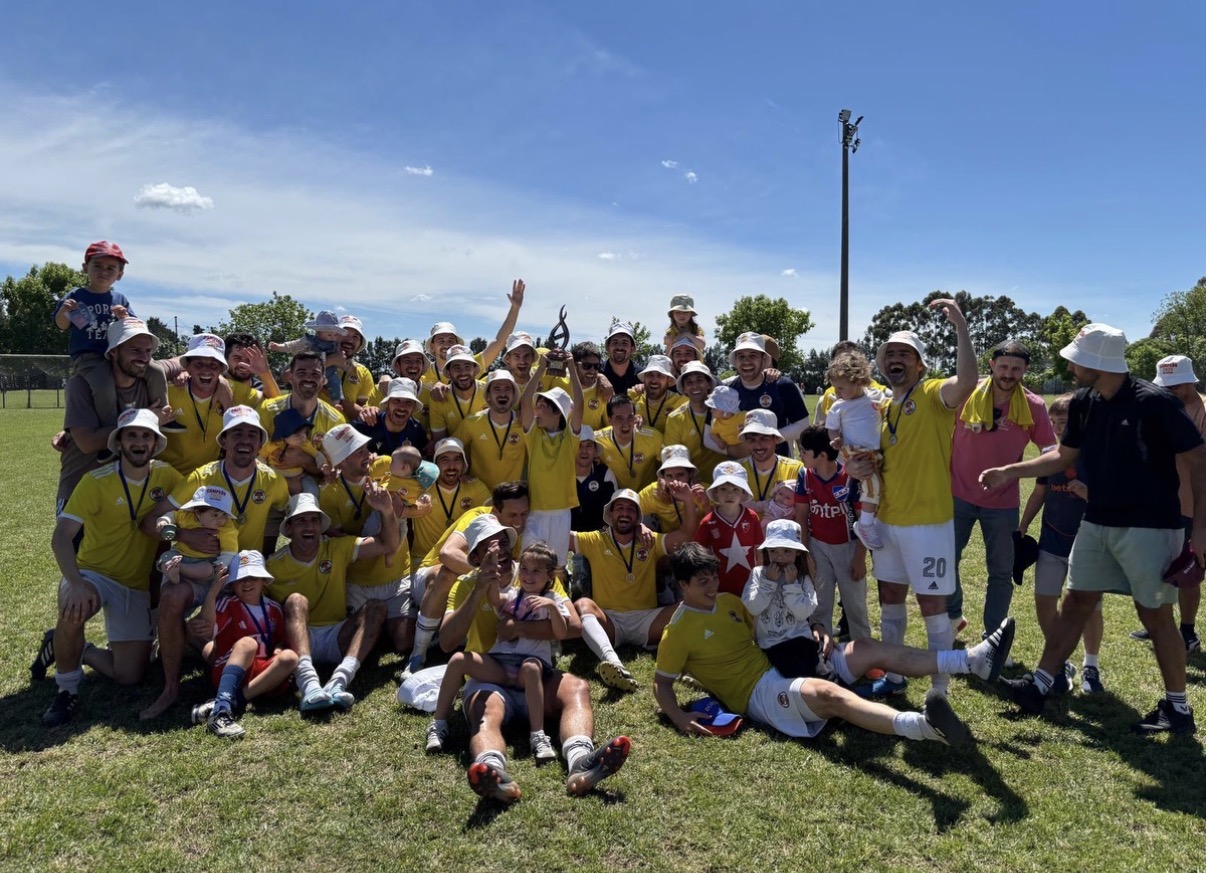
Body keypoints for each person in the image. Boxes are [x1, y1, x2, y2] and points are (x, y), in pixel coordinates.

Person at [983, 324, 1206, 734]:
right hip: (1097, 520)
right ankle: (1040, 685)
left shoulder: (1156, 402)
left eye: (1076, 361)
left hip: (1152, 524)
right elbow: (1062, 456)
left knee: (1155, 614)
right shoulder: (1085, 401)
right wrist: (1009, 471)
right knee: (1076, 600)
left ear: (1097, 363)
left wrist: (1201, 530)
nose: (1070, 368)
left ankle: (1178, 710)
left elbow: (1199, 462)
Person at [653, 544, 1015, 744]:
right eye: (702, 582)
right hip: (759, 693)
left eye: (713, 578)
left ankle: (971, 661)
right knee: (829, 694)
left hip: (782, 661)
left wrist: (816, 627)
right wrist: (679, 717)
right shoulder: (677, 631)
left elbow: (771, 627)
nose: (712, 586)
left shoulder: (729, 602)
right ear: (682, 585)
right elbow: (661, 682)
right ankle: (924, 727)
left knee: (865, 647)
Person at [438, 514, 631, 803]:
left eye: (503, 542)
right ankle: (492, 772)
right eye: (490, 546)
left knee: (577, 688)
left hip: (535, 676)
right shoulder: (466, 584)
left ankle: (580, 762)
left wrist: (520, 628)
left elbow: (573, 627)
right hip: (492, 678)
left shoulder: (533, 570)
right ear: (476, 556)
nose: (499, 550)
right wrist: (479, 590)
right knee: (485, 711)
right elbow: (446, 642)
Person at [845, 300, 977, 700]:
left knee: (932, 605)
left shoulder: (934, 394)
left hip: (928, 523)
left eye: (905, 354)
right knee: (890, 599)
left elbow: (967, 382)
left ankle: (939, 689)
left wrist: (960, 326)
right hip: (887, 521)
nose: (895, 360)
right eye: (890, 354)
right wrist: (858, 468)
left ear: (920, 364)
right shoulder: (882, 407)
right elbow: (875, 462)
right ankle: (895, 678)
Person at [134, 405, 290, 720]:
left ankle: (200, 650)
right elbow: (150, 523)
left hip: (238, 574)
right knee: (172, 595)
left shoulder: (272, 480)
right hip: (196, 570)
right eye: (237, 433)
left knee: (217, 633)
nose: (244, 440)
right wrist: (183, 536)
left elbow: (288, 512)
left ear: (260, 443)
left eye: (252, 434)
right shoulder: (201, 477)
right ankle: (171, 688)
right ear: (224, 441)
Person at [40, 408, 183, 727]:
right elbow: (61, 537)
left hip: (134, 584)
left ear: (155, 443)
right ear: (118, 443)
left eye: (146, 436)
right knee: (74, 607)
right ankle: (66, 690)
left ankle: (74, 647)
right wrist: (76, 583)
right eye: (131, 435)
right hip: (93, 574)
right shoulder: (95, 481)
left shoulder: (168, 476)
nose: (139, 442)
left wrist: (173, 530)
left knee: (130, 675)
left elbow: (185, 508)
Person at [427, 540, 576, 762]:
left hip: (530, 666)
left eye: (536, 571)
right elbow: (495, 598)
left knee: (531, 667)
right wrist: (491, 569)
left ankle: (538, 735)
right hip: (500, 664)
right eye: (524, 568)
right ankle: (438, 724)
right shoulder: (514, 595)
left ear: (550, 576)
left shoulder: (552, 599)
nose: (528, 575)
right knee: (458, 659)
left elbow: (561, 632)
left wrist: (552, 609)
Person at [947, 339, 1056, 639]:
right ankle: (953, 616)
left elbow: (1050, 452)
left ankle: (992, 637)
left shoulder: (1034, 406)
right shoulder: (967, 393)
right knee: (945, 562)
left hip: (1003, 504)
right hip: (957, 495)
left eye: (1016, 369)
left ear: (1025, 370)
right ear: (992, 365)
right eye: (1003, 366)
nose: (1008, 374)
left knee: (1001, 572)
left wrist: (1015, 472)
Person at [265, 490, 399, 713]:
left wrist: (387, 510)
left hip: (337, 635)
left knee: (377, 607)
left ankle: (339, 682)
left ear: (321, 526)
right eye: (301, 521)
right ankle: (308, 685)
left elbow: (388, 545)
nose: (309, 526)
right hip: (299, 638)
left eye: (314, 520)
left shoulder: (336, 548)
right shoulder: (272, 566)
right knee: (296, 600)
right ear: (288, 529)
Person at [571, 486, 700, 692]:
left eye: (631, 509)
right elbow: (560, 536)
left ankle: (694, 667)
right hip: (610, 622)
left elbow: (685, 536)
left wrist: (688, 501)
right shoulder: (595, 539)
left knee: (690, 605)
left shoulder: (650, 539)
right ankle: (614, 663)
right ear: (610, 514)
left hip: (647, 621)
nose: (625, 513)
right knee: (582, 605)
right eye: (620, 508)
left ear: (638, 517)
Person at [1017, 394, 1104, 692]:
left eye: (1063, 422)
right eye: (1052, 422)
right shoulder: (1050, 455)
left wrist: (1088, 493)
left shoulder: (1097, 456)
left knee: (1091, 608)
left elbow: (1114, 502)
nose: (1056, 428)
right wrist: (1023, 524)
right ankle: (1059, 662)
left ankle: (1091, 666)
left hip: (1088, 544)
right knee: (1044, 601)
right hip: (1052, 541)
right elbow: (1039, 493)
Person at [54, 317, 175, 510]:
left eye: (148, 351)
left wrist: (185, 372)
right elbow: (88, 443)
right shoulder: (81, 385)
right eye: (135, 350)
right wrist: (148, 418)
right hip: (80, 492)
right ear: (113, 352)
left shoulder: (149, 379)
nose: (144, 357)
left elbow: (184, 361)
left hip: (127, 494)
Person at [52, 240, 170, 432]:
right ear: (85, 267)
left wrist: (123, 316)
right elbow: (61, 326)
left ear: (120, 274)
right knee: (104, 386)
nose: (104, 272)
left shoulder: (119, 299)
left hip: (119, 356)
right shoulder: (76, 295)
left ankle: (163, 415)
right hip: (90, 358)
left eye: (111, 268)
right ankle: (111, 429)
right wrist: (64, 311)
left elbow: (133, 329)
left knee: (156, 370)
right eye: (97, 266)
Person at [398, 439, 493, 675]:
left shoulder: (475, 488)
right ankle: (418, 654)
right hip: (426, 566)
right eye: (444, 460)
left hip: (461, 563)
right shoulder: (420, 486)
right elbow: (390, 488)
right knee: (446, 572)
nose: (451, 466)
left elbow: (493, 517)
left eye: (457, 459)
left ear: (464, 464)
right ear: (434, 464)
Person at [1128, 354, 1203, 652]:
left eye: (1175, 386)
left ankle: (1187, 632)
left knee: (1188, 572)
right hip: (1160, 503)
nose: (1169, 391)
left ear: (1190, 381)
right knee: (1160, 568)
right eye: (1165, 387)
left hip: (1192, 506)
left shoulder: (1203, 411)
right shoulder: (1161, 407)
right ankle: (1163, 625)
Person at [188, 550, 298, 739]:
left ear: (263, 580)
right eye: (241, 579)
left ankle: (230, 701)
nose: (247, 583)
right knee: (248, 644)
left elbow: (280, 641)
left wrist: (279, 650)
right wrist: (213, 591)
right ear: (232, 583)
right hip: (230, 667)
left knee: (290, 657)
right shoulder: (227, 603)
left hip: (261, 673)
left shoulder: (274, 608)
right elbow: (206, 627)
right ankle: (221, 713)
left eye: (253, 577)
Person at [795, 425, 871, 641]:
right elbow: (802, 516)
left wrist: (859, 558)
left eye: (804, 452)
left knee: (855, 606)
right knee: (819, 604)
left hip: (848, 547)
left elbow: (864, 521)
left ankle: (864, 651)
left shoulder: (849, 476)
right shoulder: (804, 475)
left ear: (821, 455)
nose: (800, 456)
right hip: (817, 547)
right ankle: (822, 651)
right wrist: (805, 554)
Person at [520, 353, 584, 564]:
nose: (536, 410)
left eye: (542, 406)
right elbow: (525, 401)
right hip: (535, 511)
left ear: (558, 413)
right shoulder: (533, 436)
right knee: (529, 563)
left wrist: (572, 367)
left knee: (556, 566)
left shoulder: (570, 438)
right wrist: (541, 368)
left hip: (561, 513)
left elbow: (579, 404)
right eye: (537, 406)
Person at [824, 349, 887, 550]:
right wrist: (836, 440)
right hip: (853, 451)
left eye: (840, 388)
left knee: (878, 483)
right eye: (835, 388)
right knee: (873, 482)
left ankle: (870, 519)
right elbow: (831, 428)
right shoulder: (839, 406)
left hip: (874, 452)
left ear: (858, 381)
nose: (836, 392)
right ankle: (865, 524)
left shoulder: (876, 397)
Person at [722, 332, 810, 457]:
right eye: (741, 356)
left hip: (779, 464)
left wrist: (772, 437)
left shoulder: (783, 386)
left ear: (764, 359)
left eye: (752, 356)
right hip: (740, 465)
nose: (746, 361)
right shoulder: (726, 390)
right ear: (735, 361)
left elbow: (803, 425)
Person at [422, 279, 524, 386]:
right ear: (432, 347)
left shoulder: (471, 365)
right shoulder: (423, 374)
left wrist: (515, 308)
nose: (446, 344)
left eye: (451, 340)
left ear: (457, 344)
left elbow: (499, 342)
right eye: (441, 341)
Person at [692, 462, 762, 596]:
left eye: (735, 489)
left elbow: (759, 551)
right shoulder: (708, 522)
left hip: (750, 586)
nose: (729, 494)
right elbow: (697, 554)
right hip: (720, 588)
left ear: (743, 493)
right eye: (723, 489)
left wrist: (761, 580)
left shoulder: (752, 517)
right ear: (716, 492)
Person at [455, 370, 527, 491]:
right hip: (480, 496)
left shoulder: (524, 424)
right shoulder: (471, 422)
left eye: (507, 389)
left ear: (514, 395)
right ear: (488, 396)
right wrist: (461, 473)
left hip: (513, 497)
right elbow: (451, 451)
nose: (502, 394)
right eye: (497, 389)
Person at [153, 485, 239, 581]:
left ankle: (179, 568)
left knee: (207, 569)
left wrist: (219, 565)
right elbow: (172, 515)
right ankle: (173, 573)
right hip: (179, 553)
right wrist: (164, 520)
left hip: (205, 560)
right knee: (165, 558)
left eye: (224, 514)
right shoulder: (186, 516)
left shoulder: (227, 527)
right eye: (215, 515)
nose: (221, 519)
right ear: (198, 513)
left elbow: (230, 551)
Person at [664, 361, 728, 483]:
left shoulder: (725, 410)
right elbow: (673, 458)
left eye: (699, 380)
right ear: (684, 389)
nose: (695, 386)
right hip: (693, 483)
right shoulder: (675, 418)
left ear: (709, 384)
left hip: (726, 481)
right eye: (689, 382)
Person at [268, 310, 349, 404]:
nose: (333, 337)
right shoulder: (308, 341)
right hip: (309, 371)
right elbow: (293, 345)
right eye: (329, 334)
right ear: (318, 332)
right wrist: (279, 347)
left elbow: (341, 360)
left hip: (330, 371)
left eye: (335, 335)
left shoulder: (336, 345)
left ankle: (336, 402)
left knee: (335, 382)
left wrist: (345, 366)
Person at [737, 410, 803, 519]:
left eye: (764, 439)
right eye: (752, 440)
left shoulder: (797, 470)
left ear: (776, 439)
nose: (758, 445)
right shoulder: (736, 471)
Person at [594, 394, 664, 492]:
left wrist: (663, 480)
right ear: (610, 420)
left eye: (630, 417)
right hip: (617, 497)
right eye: (619, 418)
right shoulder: (597, 440)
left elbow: (670, 463)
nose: (626, 423)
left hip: (646, 496)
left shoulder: (653, 437)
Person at [639, 445, 709, 536]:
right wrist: (640, 527)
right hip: (669, 542)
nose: (675, 481)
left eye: (680, 475)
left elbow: (720, 526)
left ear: (691, 473)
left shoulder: (703, 492)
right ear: (663, 477)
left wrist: (707, 506)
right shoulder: (654, 492)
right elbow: (628, 510)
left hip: (701, 541)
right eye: (669, 476)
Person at [353, 377, 429, 457]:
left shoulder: (417, 431)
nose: (402, 407)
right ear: (387, 404)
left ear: (413, 407)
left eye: (408, 402)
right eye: (396, 401)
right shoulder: (366, 424)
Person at [427, 344, 487, 440]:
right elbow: (440, 440)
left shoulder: (489, 392)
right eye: (456, 367)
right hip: (453, 449)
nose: (463, 372)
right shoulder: (439, 397)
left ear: (475, 370)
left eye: (467, 366)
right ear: (448, 373)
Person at [264, 408, 319, 496]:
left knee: (312, 489)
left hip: (300, 476)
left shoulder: (304, 444)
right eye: (298, 435)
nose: (303, 437)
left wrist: (324, 465)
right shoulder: (274, 444)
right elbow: (260, 458)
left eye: (305, 433)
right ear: (283, 436)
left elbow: (317, 455)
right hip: (276, 477)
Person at [629, 355, 686, 436]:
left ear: (669, 380)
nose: (654, 380)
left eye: (660, 375)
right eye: (650, 374)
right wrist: (630, 419)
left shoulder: (680, 402)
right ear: (644, 378)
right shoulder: (633, 396)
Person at [223, 331, 280, 406]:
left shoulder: (261, 389)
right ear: (225, 359)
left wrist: (265, 373)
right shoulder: (214, 385)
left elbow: (276, 406)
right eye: (237, 358)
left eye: (249, 359)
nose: (244, 364)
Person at [601, 321, 641, 395]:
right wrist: (599, 376)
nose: (619, 347)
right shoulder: (595, 371)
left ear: (632, 349)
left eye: (625, 343)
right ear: (608, 347)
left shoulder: (642, 376)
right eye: (615, 342)